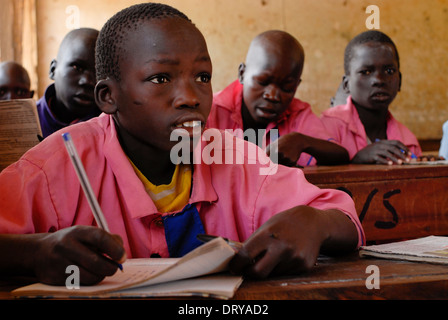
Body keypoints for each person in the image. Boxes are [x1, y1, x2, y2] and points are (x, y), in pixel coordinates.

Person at [0, 3, 364, 286]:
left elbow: (346, 221)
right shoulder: (55, 169)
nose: (190, 97)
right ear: (108, 96)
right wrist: (33, 253)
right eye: (161, 77)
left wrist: (313, 222)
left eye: (202, 76)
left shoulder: (231, 156)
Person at [207, 30, 349, 167]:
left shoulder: (297, 114)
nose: (272, 96)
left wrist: (301, 141)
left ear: (296, 85)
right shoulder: (210, 110)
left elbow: (340, 155)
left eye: (286, 88)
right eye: (262, 82)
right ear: (242, 74)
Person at [321, 30, 422, 165]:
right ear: (346, 84)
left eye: (389, 71)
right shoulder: (327, 128)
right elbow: (314, 179)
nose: (378, 80)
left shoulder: (408, 141)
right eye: (366, 72)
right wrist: (355, 161)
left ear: (400, 81)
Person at [36, 28, 101, 139]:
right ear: (53, 70)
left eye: (98, 72)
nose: (88, 81)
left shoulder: (113, 126)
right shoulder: (27, 123)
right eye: (77, 67)